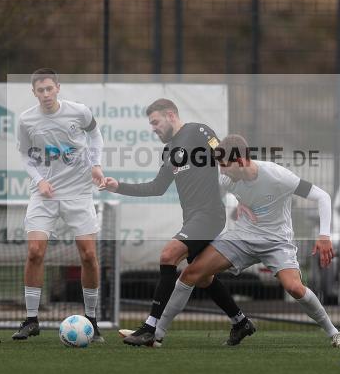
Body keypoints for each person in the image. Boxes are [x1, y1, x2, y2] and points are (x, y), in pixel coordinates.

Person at [135, 134, 340, 348]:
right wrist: (237, 203)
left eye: (224, 164)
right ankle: (157, 334)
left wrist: (324, 235)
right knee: (191, 274)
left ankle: (334, 333)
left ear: (240, 161)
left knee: (295, 288)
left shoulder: (277, 175)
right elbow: (215, 198)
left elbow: (322, 196)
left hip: (276, 242)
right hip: (241, 237)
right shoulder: (226, 177)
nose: (221, 169)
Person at [103, 99, 254, 347]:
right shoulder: (169, 150)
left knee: (168, 254)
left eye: (155, 122)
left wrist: (242, 198)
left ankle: (150, 327)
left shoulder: (199, 131)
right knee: (202, 277)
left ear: (171, 115)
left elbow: (227, 159)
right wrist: (117, 186)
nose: (153, 128)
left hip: (209, 215)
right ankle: (240, 322)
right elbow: (157, 188)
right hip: (193, 218)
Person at [12, 69, 106, 342]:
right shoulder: (27, 119)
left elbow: (96, 135)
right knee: (34, 252)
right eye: (40, 90)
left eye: (49, 89)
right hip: (45, 195)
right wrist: (39, 180)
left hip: (78, 193)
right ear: (34, 92)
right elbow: (23, 154)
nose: (45, 95)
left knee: (88, 254)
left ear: (57, 88)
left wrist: (96, 165)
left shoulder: (79, 112)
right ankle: (31, 320)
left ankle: (91, 319)